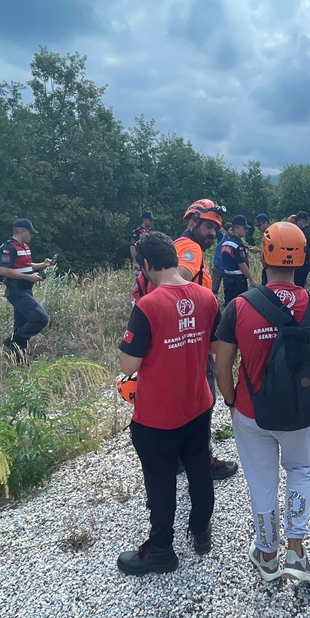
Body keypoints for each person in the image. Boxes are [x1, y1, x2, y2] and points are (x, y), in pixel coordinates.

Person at [214, 222, 310, 582]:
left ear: (264, 255)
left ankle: (267, 554)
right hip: (300, 412)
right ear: (303, 256)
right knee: (301, 472)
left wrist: (233, 403)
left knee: (262, 483)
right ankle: (296, 551)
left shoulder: (238, 306)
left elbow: (222, 367)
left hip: (253, 413)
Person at [116, 232, 220, 575]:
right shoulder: (206, 297)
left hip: (158, 414)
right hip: (198, 403)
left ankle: (161, 548)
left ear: (145, 265)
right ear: (174, 258)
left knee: (160, 480)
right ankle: (201, 531)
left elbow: (128, 365)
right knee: (199, 465)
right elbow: (215, 347)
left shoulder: (148, 305)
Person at [176, 199, 240, 481]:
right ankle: (202, 461)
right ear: (192, 223)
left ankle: (181, 457)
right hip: (194, 340)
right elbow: (178, 280)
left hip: (184, 338)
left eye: (216, 228)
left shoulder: (178, 246)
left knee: (185, 400)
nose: (213, 233)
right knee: (204, 399)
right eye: (207, 226)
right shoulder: (189, 248)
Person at [0, 218, 53, 359]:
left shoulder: (25, 247)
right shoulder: (8, 248)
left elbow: (27, 266)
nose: (31, 235)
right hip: (16, 291)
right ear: (22, 232)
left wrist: (43, 265)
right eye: (30, 232)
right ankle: (13, 340)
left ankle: (18, 358)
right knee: (40, 318)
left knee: (21, 323)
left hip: (26, 290)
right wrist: (29, 277)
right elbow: (4, 270)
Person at [218, 215, 253, 306]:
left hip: (227, 278)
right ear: (236, 229)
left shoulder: (225, 243)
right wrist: (251, 279)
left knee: (230, 305)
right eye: (244, 228)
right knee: (241, 305)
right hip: (238, 281)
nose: (246, 230)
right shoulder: (238, 245)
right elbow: (241, 264)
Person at [294, 211, 310, 287]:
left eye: (297, 221)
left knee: (296, 286)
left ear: (301, 221)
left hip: (300, 264)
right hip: (308, 263)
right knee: (302, 286)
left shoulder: (302, 233)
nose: (296, 224)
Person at [255, 213, 272, 286]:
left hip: (271, 268)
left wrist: (258, 251)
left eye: (259, 225)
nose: (258, 228)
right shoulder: (265, 235)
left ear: (266, 223)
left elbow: (273, 252)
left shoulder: (271, 234)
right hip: (266, 267)